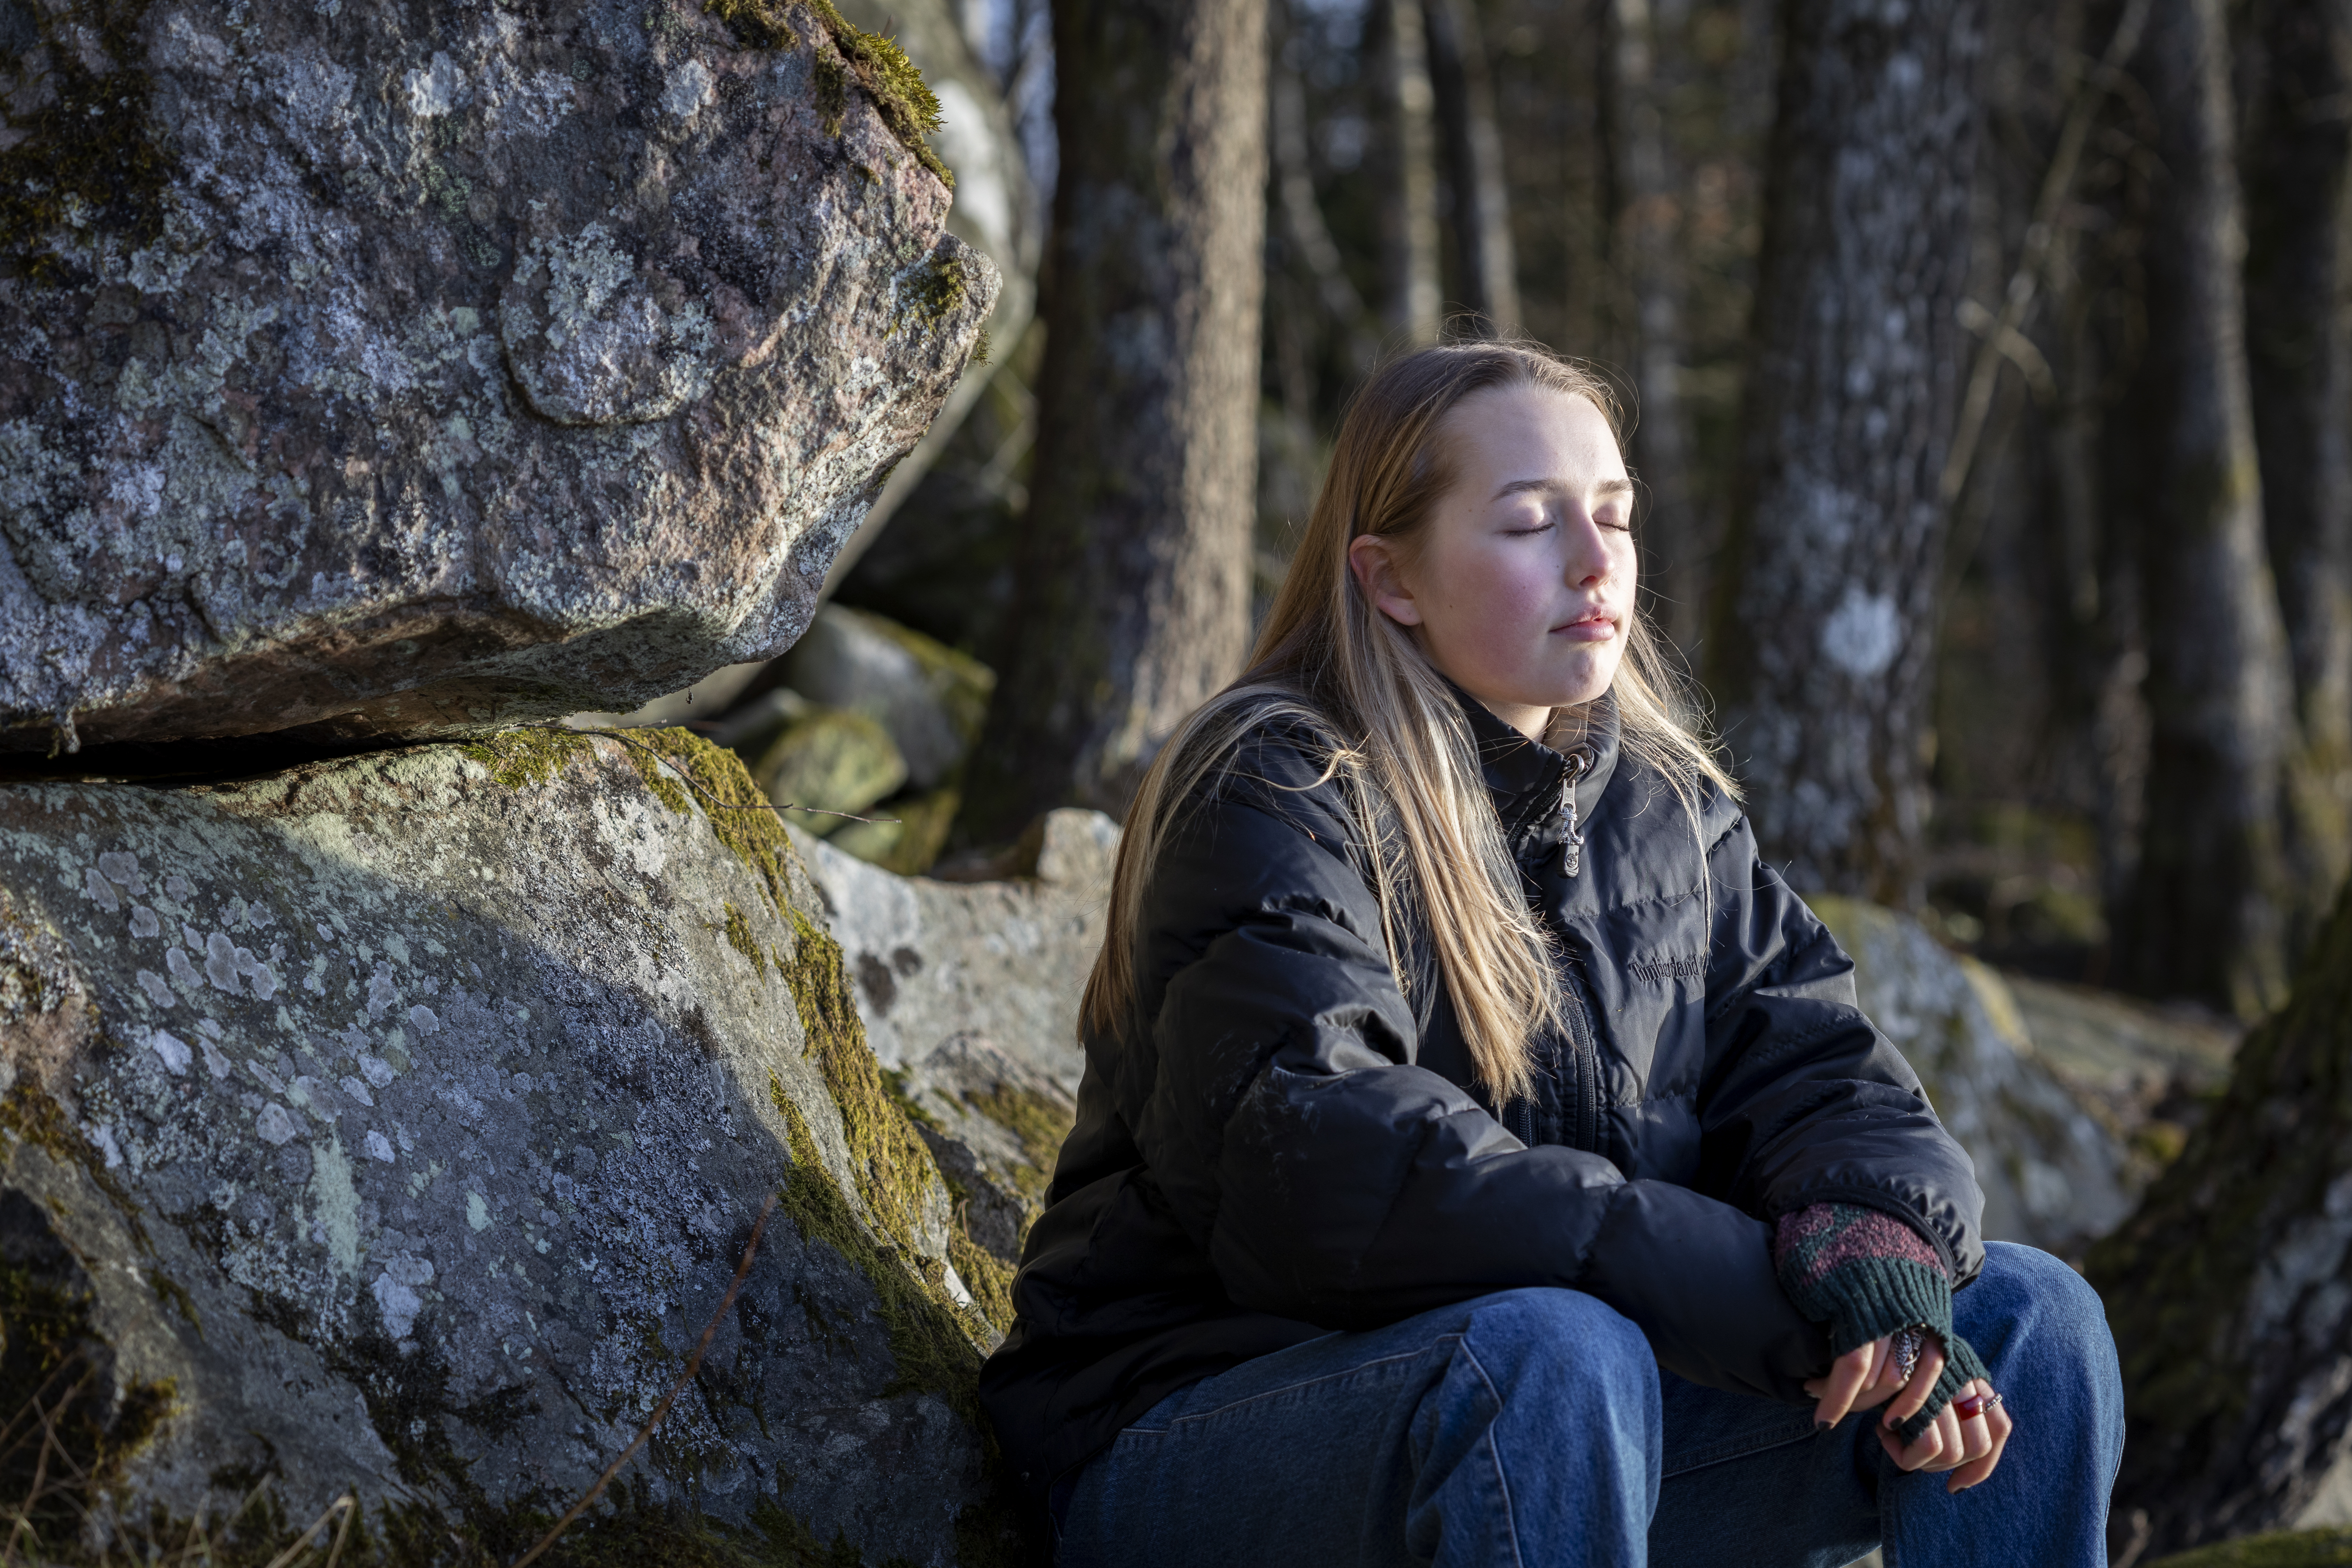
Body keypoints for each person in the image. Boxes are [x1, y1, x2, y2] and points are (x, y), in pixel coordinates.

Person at [976, 342, 2124, 1567]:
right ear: (1390, 577)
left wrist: (1871, 1255)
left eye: (1615, 516)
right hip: (1201, 1435)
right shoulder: (1274, 784)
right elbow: (1318, 1165)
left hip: (1563, 1429)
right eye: (1532, 523)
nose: (1595, 561)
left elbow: (1824, 1074)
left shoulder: (1670, 814)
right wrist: (1760, 1302)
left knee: (2028, 1321)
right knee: (1555, 1350)